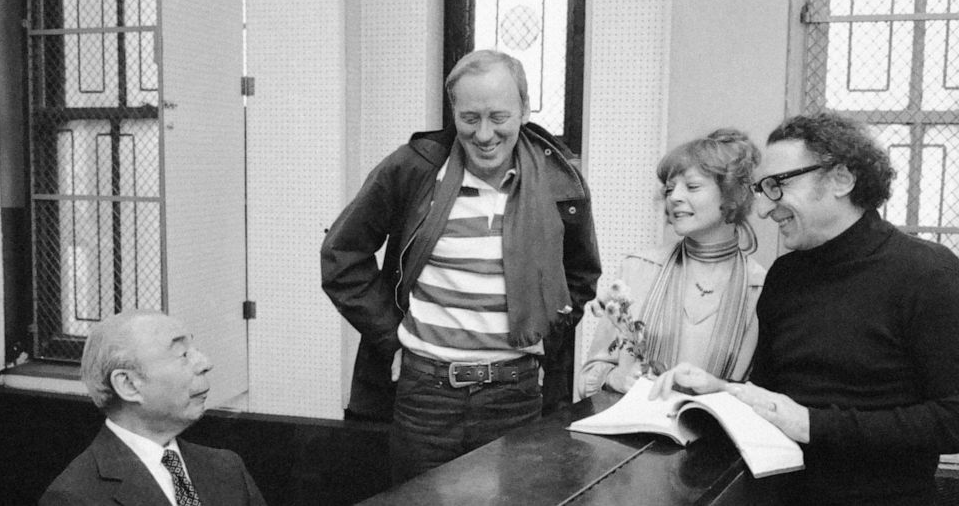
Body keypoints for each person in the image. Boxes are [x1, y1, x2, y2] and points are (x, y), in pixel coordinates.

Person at [321, 49, 601, 483]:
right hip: (425, 397)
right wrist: (390, 335)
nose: (484, 133)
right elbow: (342, 255)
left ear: (525, 110)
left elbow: (580, 277)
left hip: (517, 396)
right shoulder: (415, 169)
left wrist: (547, 336)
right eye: (470, 118)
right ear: (453, 112)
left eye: (498, 116)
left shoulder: (560, 181)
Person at [651, 112, 959, 505]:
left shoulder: (928, 272)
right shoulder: (785, 275)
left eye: (777, 186)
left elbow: (952, 418)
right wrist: (724, 391)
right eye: (762, 189)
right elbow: (776, 398)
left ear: (840, 180)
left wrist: (812, 425)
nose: (763, 209)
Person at [579, 129, 764, 397]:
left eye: (692, 186)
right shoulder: (637, 269)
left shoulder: (760, 287)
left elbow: (765, 396)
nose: (674, 197)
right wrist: (616, 378)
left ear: (732, 195)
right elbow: (588, 376)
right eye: (669, 188)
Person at [40, 310, 267, 506]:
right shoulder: (74, 497)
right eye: (183, 354)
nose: (205, 363)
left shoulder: (227, 468)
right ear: (128, 385)